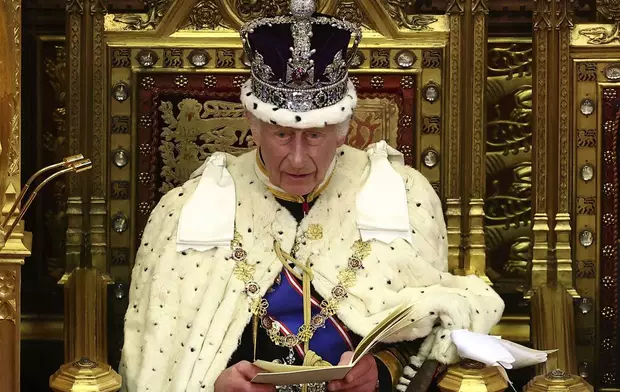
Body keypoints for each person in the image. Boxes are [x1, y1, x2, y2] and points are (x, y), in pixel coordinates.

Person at [119, 1, 505, 391]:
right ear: (253, 126)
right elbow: (162, 355)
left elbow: (434, 330)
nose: (299, 159)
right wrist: (215, 386)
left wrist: (382, 369)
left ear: (342, 129)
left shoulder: (404, 195)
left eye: (315, 135)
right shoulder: (184, 210)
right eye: (282, 134)